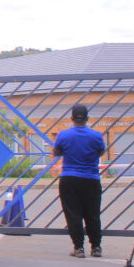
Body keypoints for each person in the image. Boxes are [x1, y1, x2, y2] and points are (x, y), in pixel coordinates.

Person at [53, 104, 106, 258]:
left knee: (73, 214)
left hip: (69, 178)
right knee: (92, 213)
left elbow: (57, 151)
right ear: (87, 118)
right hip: (91, 178)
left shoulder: (63, 135)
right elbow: (101, 151)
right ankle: (96, 247)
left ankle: (79, 248)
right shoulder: (96, 136)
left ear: (72, 118)